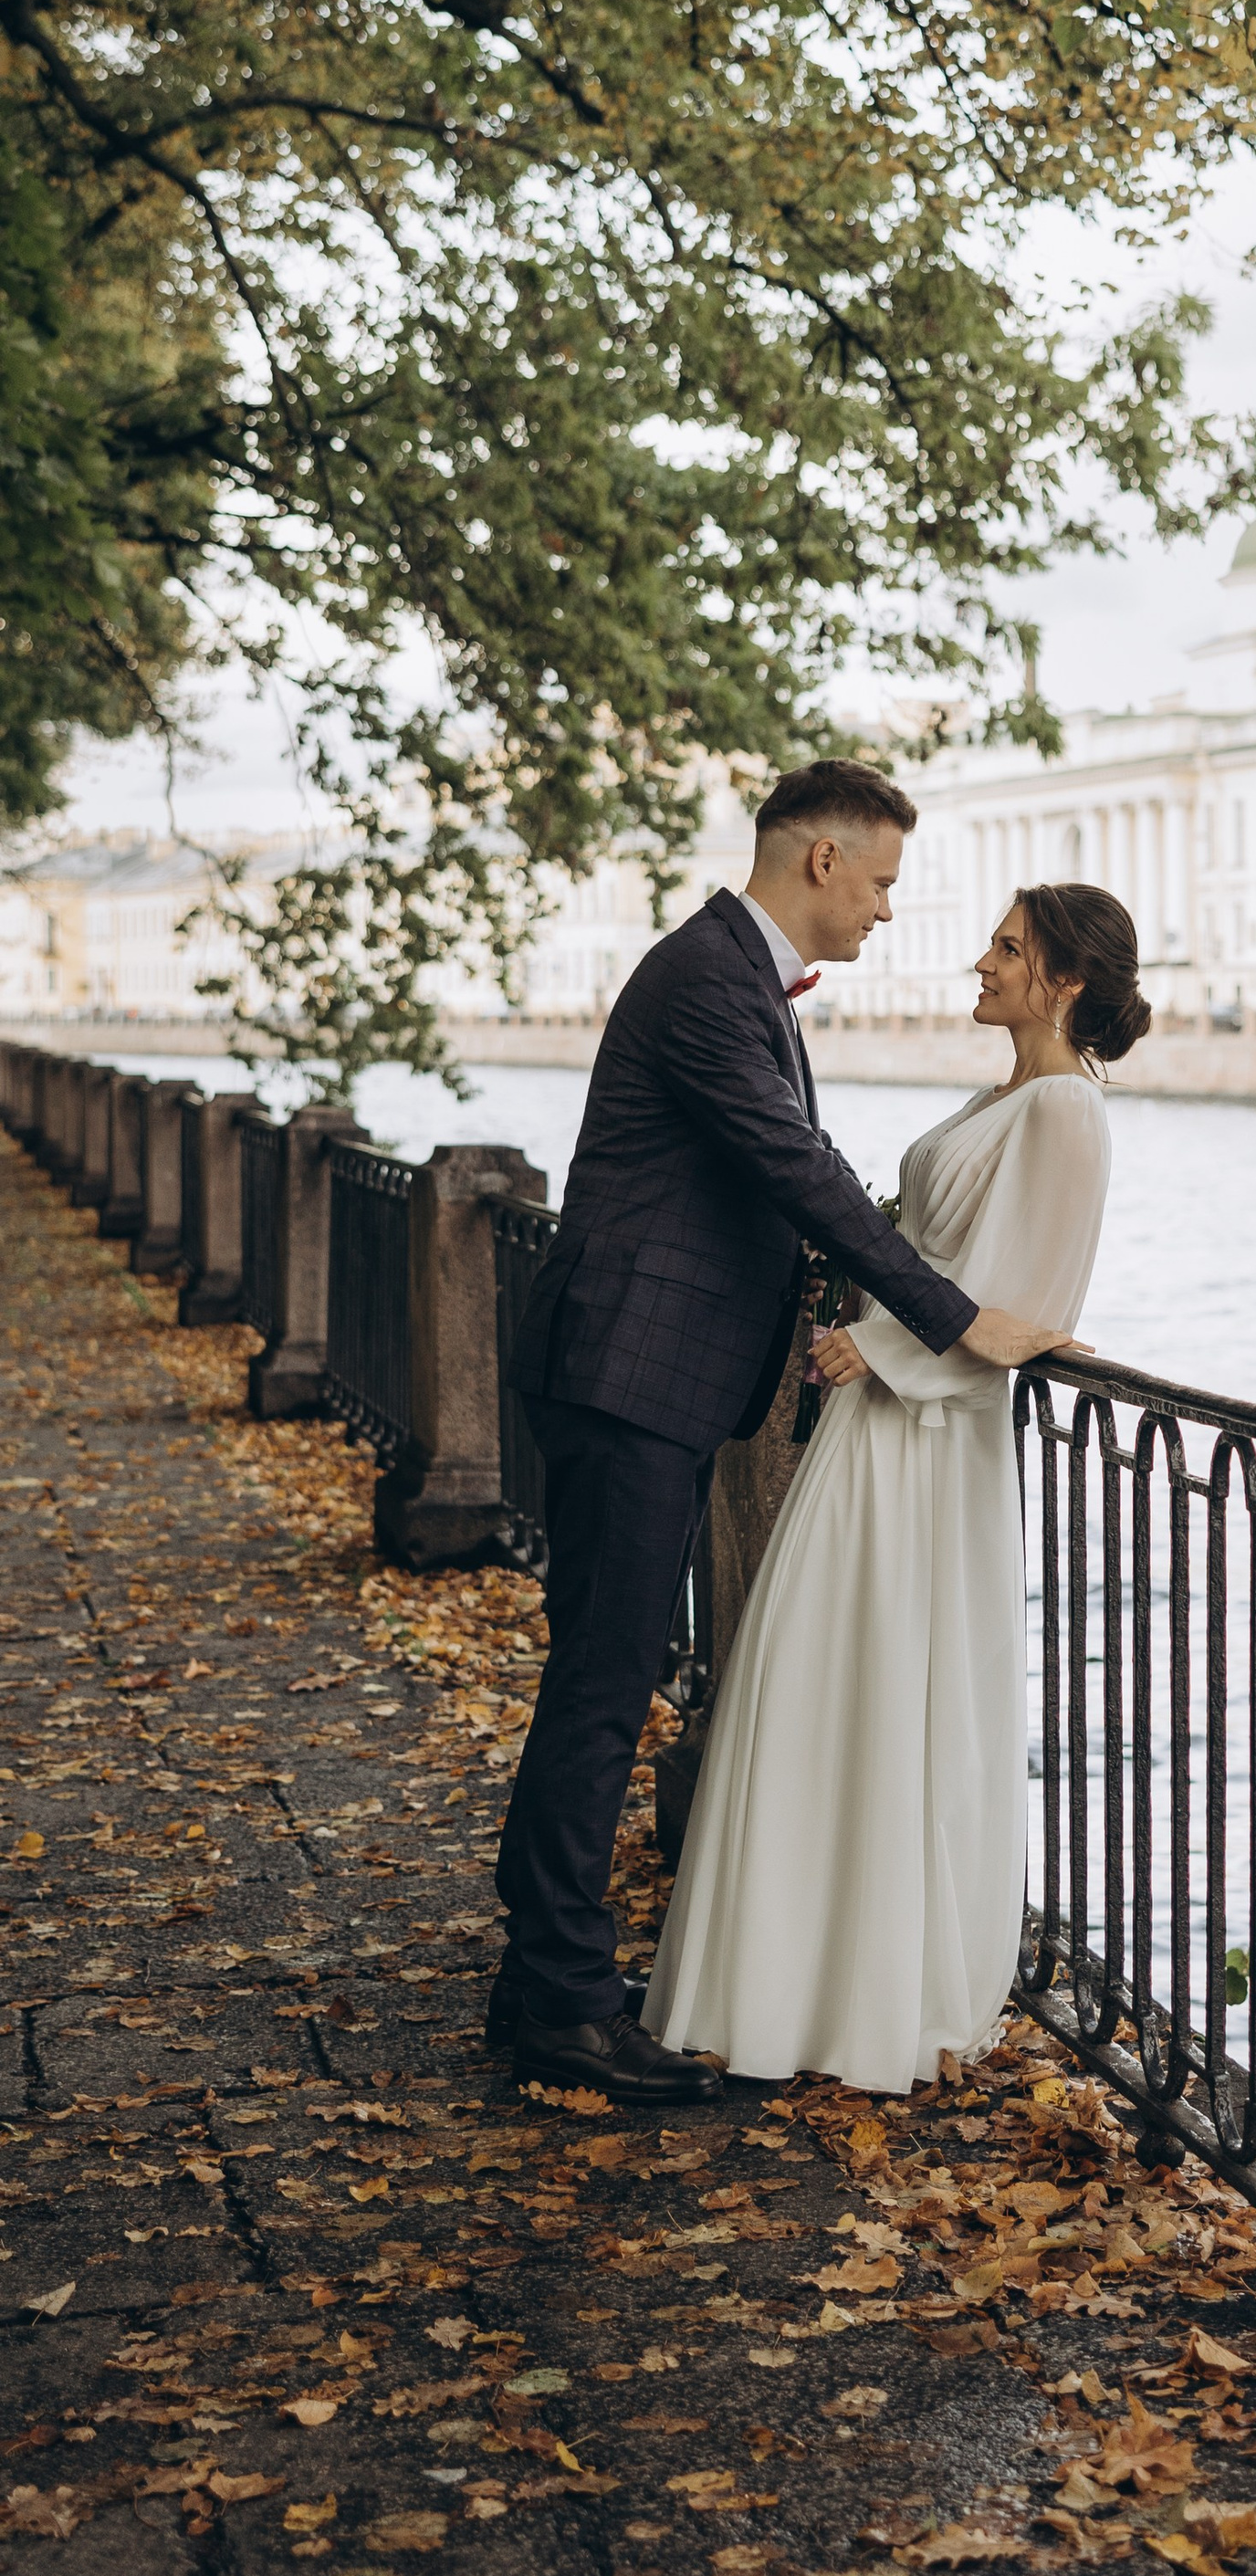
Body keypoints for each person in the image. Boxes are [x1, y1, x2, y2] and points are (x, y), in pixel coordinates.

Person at [487, 762, 1077, 2103]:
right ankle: (562, 2003)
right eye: (878, 883)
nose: (883, 914)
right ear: (821, 863)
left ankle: (546, 1977)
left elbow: (767, 1182)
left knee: (602, 1673)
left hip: (642, 1373)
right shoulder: (708, 979)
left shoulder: (729, 976)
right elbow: (791, 1169)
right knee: (602, 1683)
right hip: (629, 1374)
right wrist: (954, 1317)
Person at [644, 883, 1146, 2093]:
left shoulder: (1069, 1113)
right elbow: (947, 1262)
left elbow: (1031, 1303)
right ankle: (785, 1984)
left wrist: (875, 1347)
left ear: (1066, 981)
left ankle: (858, 1998)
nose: (982, 961)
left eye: (1010, 948)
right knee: (818, 1690)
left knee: (874, 1697)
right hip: (880, 1426)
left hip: (926, 1437)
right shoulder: (1008, 1095)